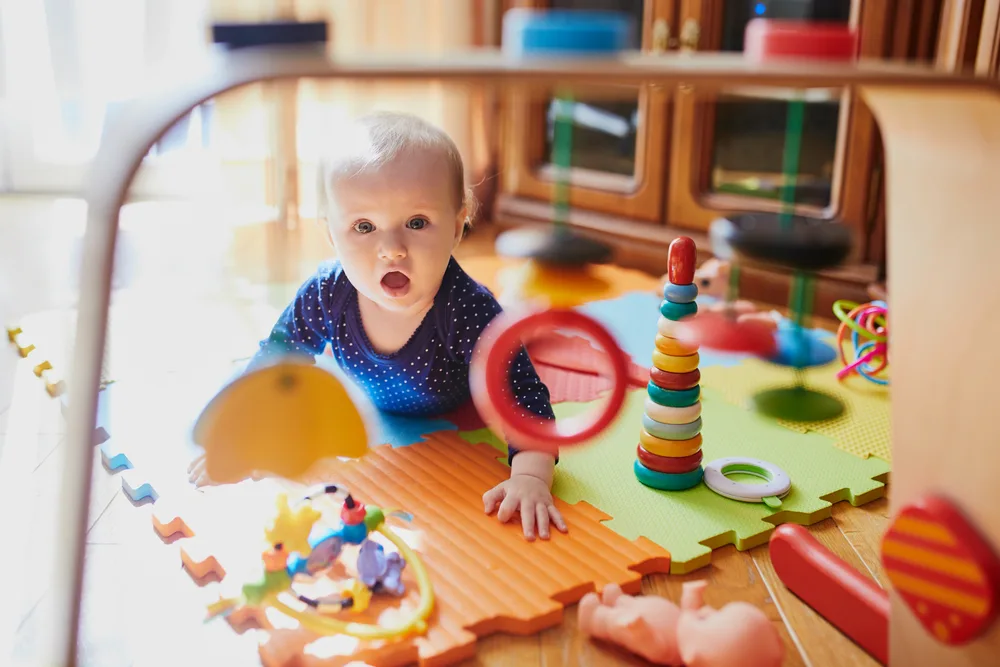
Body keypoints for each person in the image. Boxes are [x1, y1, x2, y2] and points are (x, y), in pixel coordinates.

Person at [189, 111, 566, 541]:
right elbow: (278, 355)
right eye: (364, 227)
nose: (391, 250)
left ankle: (529, 319)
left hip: (455, 405)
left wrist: (531, 476)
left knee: (514, 340)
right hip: (376, 408)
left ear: (459, 226)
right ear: (331, 234)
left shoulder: (468, 309)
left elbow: (523, 393)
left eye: (417, 223)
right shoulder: (327, 293)